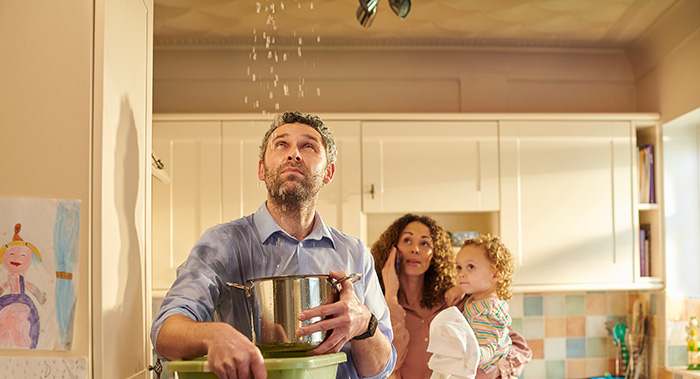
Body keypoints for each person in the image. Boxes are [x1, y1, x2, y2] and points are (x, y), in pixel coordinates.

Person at [151, 111, 396, 379]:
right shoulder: (223, 244)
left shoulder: (355, 254)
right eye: (281, 145)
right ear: (261, 170)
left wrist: (364, 323)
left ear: (328, 173)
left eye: (308, 146)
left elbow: (380, 370)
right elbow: (165, 332)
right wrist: (214, 334)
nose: (294, 154)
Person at [371, 215, 530, 379]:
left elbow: (519, 348)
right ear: (392, 249)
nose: (415, 249)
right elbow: (385, 365)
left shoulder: (458, 302)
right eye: (407, 241)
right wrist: (390, 295)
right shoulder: (380, 308)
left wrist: (486, 370)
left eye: (425, 243)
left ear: (435, 254)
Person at [455, 234, 515, 376]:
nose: (461, 273)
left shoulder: (488, 312)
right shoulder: (477, 302)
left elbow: (488, 348)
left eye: (470, 267)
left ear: (495, 274)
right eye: (459, 267)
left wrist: (471, 357)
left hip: (483, 373)